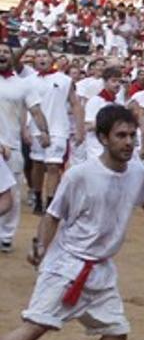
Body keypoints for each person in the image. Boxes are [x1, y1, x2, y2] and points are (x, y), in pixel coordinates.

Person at [0, 105, 144, 340]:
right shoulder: (80, 175)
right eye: (121, 136)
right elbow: (52, 216)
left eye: (132, 135)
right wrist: (40, 247)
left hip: (101, 271)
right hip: (67, 265)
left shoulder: (138, 172)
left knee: (116, 334)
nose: (128, 142)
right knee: (34, 327)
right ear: (103, 138)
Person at [0, 43, 51, 255]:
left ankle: (5, 236)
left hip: (11, 144)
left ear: (13, 57)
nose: (2, 54)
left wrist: (44, 132)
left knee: (12, 193)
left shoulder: (22, 85)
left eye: (5, 51)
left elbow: (36, 111)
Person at [26, 47, 84, 217]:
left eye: (45, 55)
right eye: (38, 56)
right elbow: (24, 106)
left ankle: (51, 202)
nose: (41, 58)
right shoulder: (29, 81)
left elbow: (75, 104)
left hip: (59, 128)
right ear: (34, 61)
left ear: (52, 60)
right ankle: (37, 197)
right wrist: (25, 128)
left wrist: (79, 129)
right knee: (37, 164)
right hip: (35, 129)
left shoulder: (65, 80)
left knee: (53, 165)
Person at [81, 67, 123, 163]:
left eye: (119, 82)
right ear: (105, 82)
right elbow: (87, 126)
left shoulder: (118, 103)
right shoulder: (95, 101)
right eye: (114, 81)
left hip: (112, 148)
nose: (117, 84)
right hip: (96, 149)